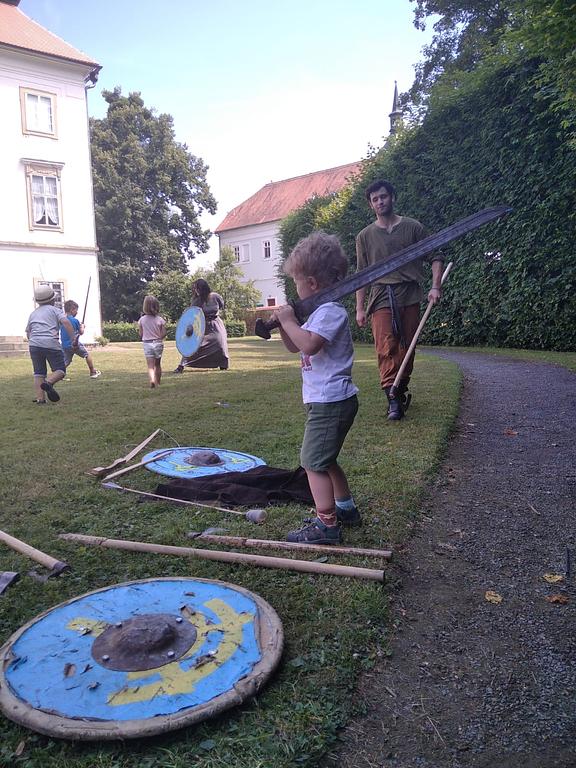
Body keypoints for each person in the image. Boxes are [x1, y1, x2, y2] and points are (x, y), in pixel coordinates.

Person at [271, 231, 360, 545]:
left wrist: (289, 322)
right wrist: (285, 325)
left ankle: (326, 526)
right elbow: (295, 345)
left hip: (330, 401)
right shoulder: (316, 314)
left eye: (296, 282)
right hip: (325, 400)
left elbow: (309, 344)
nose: (294, 288)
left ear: (311, 283)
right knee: (326, 459)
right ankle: (345, 509)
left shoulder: (330, 312)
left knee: (312, 462)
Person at [355, 179, 444, 420]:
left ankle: (401, 389)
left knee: (407, 346)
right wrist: (359, 308)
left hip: (409, 294)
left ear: (392, 197)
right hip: (381, 296)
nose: (380, 202)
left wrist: (435, 286)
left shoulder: (413, 227)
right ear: (371, 205)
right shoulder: (364, 236)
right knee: (386, 346)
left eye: (383, 196)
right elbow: (361, 275)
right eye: (375, 199)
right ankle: (392, 399)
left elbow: (435, 255)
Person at [25, 286, 76, 404]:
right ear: (53, 299)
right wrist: (73, 338)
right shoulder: (55, 310)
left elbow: (28, 331)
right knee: (60, 370)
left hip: (34, 345)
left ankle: (40, 399)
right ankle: (48, 383)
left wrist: (33, 341)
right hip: (51, 343)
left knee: (38, 372)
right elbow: (66, 322)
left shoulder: (33, 314)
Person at [173, 278, 229, 372]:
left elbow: (221, 305)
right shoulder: (196, 301)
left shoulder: (215, 296)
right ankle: (181, 366)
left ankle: (223, 364)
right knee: (194, 346)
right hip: (201, 325)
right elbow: (192, 314)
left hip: (215, 324)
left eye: (197, 288)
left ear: (203, 288)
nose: (196, 290)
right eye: (195, 288)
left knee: (220, 344)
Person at [60, 300, 101, 378]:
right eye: (76, 310)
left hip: (64, 345)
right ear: (72, 310)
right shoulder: (75, 321)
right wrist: (82, 327)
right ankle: (92, 371)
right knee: (87, 355)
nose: (77, 312)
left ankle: (59, 374)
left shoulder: (62, 321)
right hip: (74, 344)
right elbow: (81, 332)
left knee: (67, 361)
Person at [138, 295, 167, 388]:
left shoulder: (142, 320)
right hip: (158, 343)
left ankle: (152, 381)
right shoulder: (160, 319)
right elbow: (164, 333)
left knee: (150, 366)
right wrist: (159, 337)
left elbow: (141, 334)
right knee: (157, 364)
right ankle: (158, 382)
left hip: (147, 344)